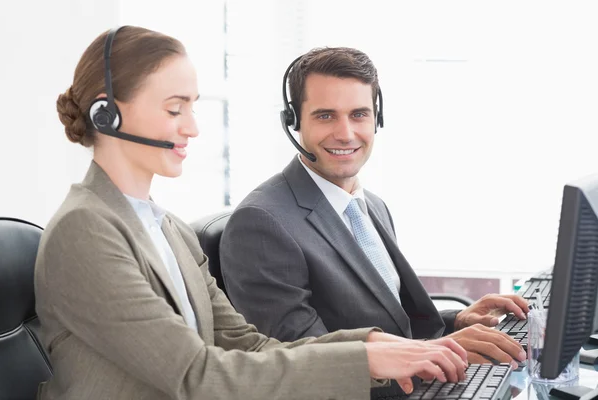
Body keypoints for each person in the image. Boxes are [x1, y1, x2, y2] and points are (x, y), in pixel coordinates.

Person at [34, 26, 469, 400]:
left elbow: (249, 344)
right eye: (174, 108)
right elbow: (196, 374)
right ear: (106, 113)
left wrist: (376, 347)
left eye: (192, 106)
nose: (192, 126)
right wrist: (366, 360)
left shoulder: (168, 229)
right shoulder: (85, 229)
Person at [219, 47, 529, 371]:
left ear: (376, 118)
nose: (346, 133)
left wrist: (457, 323)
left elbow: (391, 321)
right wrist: (434, 353)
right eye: (325, 115)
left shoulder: (369, 206)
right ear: (294, 122)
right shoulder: (261, 224)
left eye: (359, 114)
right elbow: (300, 362)